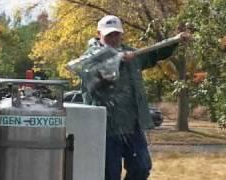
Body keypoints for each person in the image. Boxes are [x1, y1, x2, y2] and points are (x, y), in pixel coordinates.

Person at [79, 15, 190, 180]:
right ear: (99, 34)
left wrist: (175, 41)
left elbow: (154, 54)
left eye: (116, 34)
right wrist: (117, 59)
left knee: (142, 167)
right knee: (109, 174)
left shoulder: (131, 53)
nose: (114, 38)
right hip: (106, 128)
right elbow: (94, 76)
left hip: (133, 125)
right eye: (109, 34)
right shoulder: (90, 58)